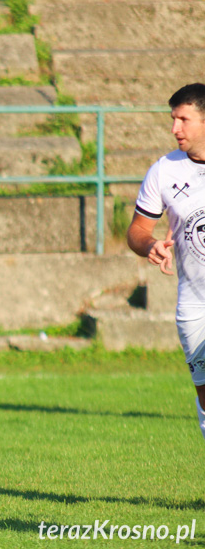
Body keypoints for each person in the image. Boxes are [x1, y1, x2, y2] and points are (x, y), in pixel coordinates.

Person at [127, 82, 205, 443]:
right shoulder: (164, 170)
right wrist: (150, 246)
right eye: (173, 119)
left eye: (183, 119)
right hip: (194, 304)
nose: (175, 129)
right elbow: (138, 230)